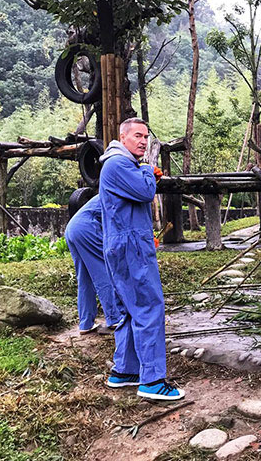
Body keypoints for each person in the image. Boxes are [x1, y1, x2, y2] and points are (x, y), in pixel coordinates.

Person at [98, 117, 184, 401]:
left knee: (128, 310)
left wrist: (144, 172)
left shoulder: (120, 164)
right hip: (131, 246)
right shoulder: (119, 164)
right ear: (122, 138)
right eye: (137, 136)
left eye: (146, 136)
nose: (143, 141)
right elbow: (146, 192)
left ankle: (125, 370)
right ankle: (153, 380)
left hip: (122, 243)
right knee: (149, 307)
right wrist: (148, 172)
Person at [65, 194, 122, 335]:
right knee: (103, 271)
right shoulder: (122, 193)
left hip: (72, 228)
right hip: (86, 228)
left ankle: (85, 323)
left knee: (85, 278)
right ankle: (115, 317)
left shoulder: (110, 190)